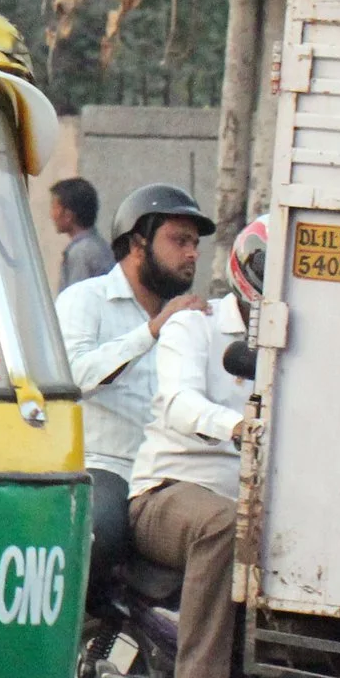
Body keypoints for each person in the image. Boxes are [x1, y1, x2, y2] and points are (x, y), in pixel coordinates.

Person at [127, 217, 264, 678]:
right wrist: (233, 426)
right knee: (222, 525)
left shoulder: (292, 345)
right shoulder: (196, 325)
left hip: (246, 497)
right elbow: (179, 402)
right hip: (165, 493)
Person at [55, 182, 214, 593]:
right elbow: (71, 379)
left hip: (165, 476)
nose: (192, 253)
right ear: (137, 242)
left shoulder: (188, 321)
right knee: (98, 536)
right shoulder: (85, 300)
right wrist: (150, 332)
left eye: (195, 243)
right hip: (102, 464)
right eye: (179, 241)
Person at [50, 177, 114, 289]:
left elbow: (75, 300)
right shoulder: (98, 246)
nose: (52, 215)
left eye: (55, 208)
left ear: (68, 215)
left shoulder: (81, 252)